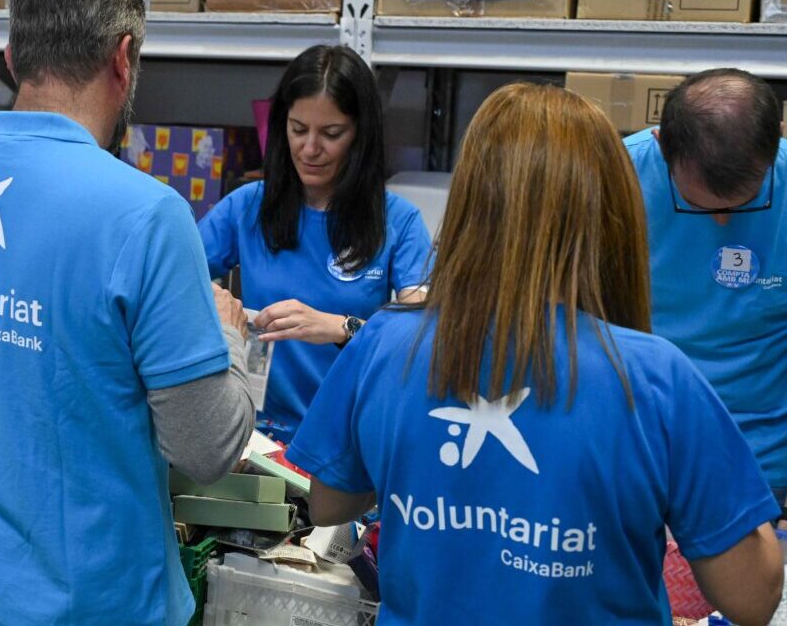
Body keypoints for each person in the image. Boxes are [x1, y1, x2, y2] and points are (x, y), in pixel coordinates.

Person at [287, 83, 783, 624]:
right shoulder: (657, 378)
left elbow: (330, 504)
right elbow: (752, 599)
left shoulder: (383, 343)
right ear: (610, 207)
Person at [0, 0, 254, 625]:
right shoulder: (146, 216)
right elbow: (206, 448)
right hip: (89, 608)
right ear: (124, 56)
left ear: (12, 55)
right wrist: (227, 334)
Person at [198, 45, 433, 440]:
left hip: (347, 442)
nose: (309, 149)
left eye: (331, 134)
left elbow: (420, 342)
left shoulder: (400, 221)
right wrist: (217, 306)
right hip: (256, 441)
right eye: (297, 129)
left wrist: (341, 327)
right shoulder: (246, 206)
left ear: (360, 133)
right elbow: (165, 284)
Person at [624, 68, 787, 508]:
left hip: (762, 464)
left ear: (776, 144)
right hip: (636, 446)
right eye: (696, 204)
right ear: (661, 144)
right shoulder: (614, 180)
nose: (722, 222)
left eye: (747, 199)